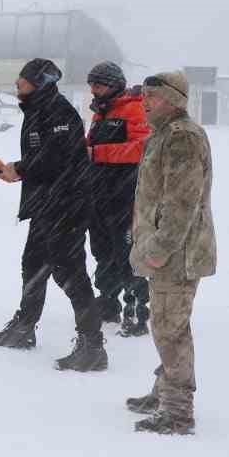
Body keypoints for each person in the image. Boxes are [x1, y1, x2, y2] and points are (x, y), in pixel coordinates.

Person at [0, 58, 107, 371]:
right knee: (34, 264)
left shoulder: (58, 111)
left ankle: (92, 346)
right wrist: (17, 170)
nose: (17, 84)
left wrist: (20, 169)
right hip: (46, 204)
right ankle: (24, 327)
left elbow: (57, 158)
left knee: (69, 272)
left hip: (67, 204)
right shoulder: (38, 108)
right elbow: (43, 158)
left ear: (38, 82)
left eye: (22, 80)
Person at [127, 71, 217, 435]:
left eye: (153, 96)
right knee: (165, 323)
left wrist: (159, 249)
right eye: (145, 95)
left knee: (170, 327)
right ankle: (164, 391)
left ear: (174, 100)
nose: (145, 102)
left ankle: (178, 411)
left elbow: (181, 203)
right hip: (164, 249)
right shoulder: (162, 135)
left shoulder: (182, 138)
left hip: (178, 253)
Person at [83, 62, 151, 335]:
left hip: (125, 194)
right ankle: (108, 302)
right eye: (92, 86)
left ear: (113, 85)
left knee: (127, 253)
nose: (94, 91)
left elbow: (140, 148)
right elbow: (90, 146)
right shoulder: (100, 113)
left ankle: (136, 310)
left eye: (98, 85)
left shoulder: (134, 108)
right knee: (102, 251)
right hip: (98, 193)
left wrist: (98, 153)